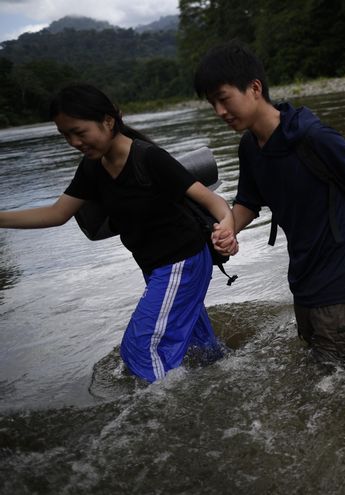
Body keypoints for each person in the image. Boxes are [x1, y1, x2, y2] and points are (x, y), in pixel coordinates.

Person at [195, 43, 345, 363]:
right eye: (212, 104)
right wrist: (228, 229)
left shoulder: (313, 136)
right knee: (325, 373)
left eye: (223, 99)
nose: (219, 111)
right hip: (304, 279)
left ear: (254, 88)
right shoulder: (250, 147)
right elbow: (248, 202)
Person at [0, 84, 233, 382]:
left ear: (108, 121)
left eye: (79, 132)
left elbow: (214, 202)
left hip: (182, 262)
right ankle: (227, 384)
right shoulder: (93, 168)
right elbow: (57, 214)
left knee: (140, 350)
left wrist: (226, 228)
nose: (73, 142)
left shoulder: (149, 158)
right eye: (65, 135)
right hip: (157, 268)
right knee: (200, 349)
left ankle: (172, 420)